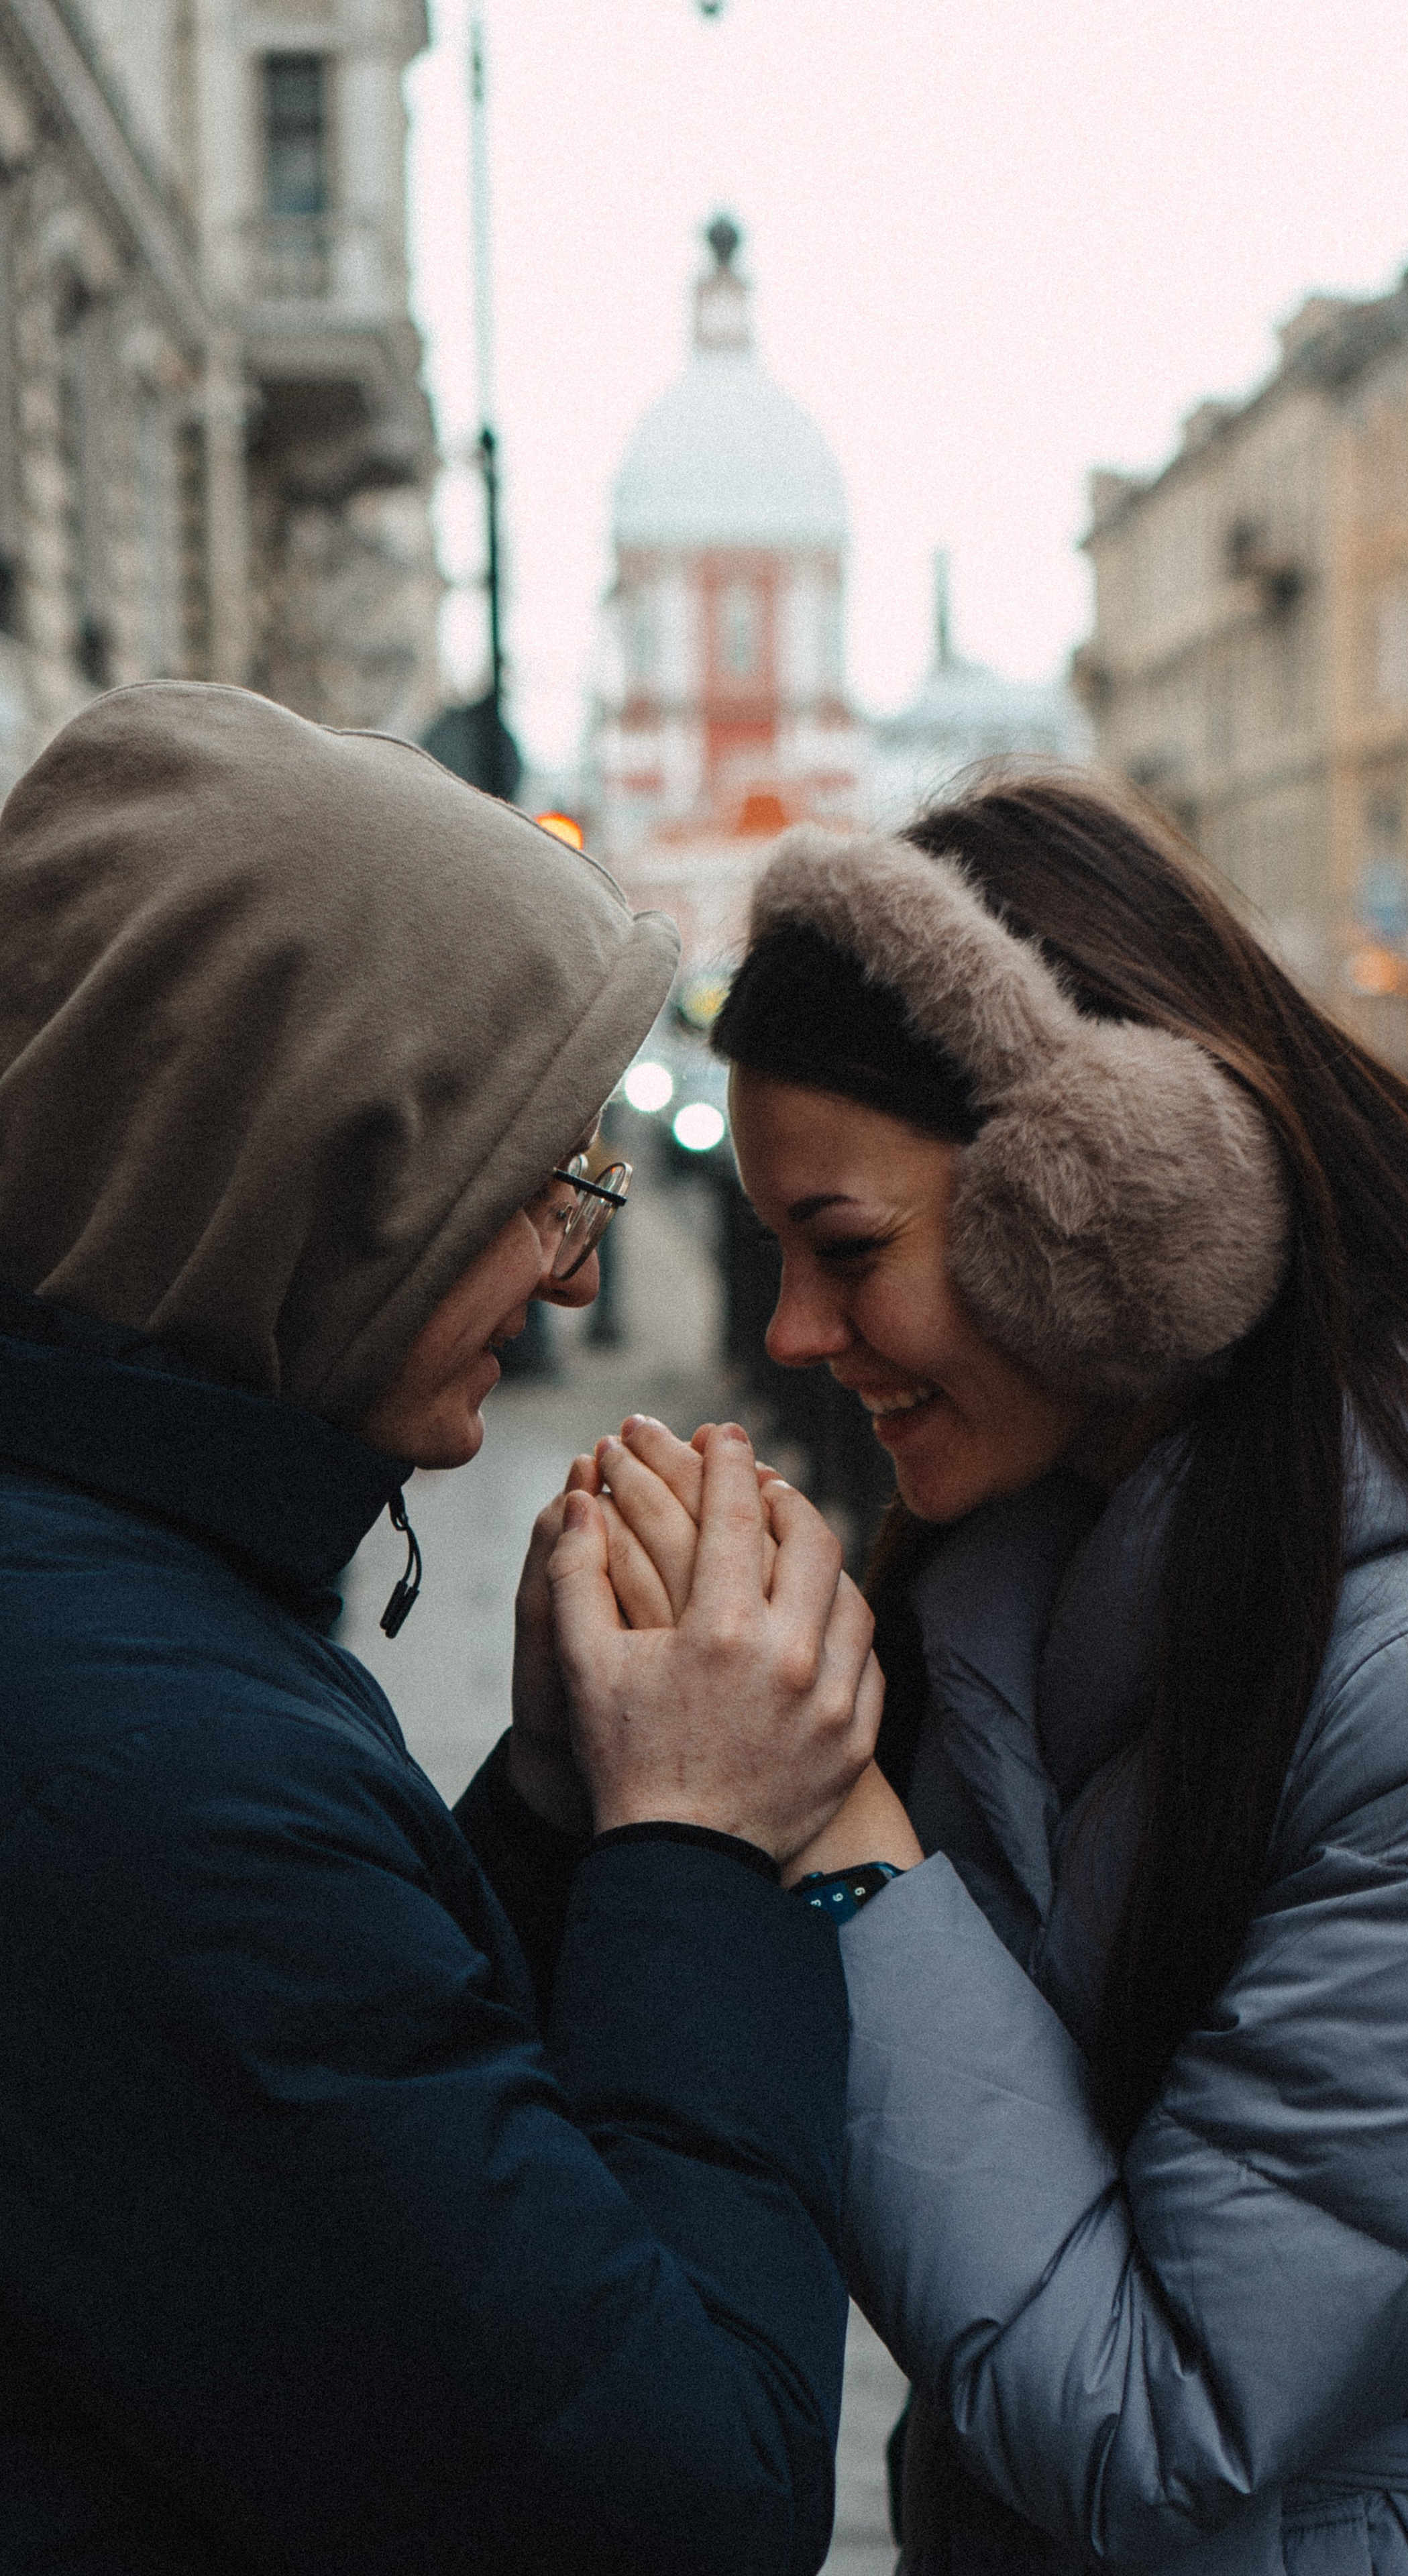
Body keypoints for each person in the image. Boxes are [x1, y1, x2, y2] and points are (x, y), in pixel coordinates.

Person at [583, 773, 1408, 2575]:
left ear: (1104, 1205)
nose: (793, 1335)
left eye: (849, 1250)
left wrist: (830, 1835)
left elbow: (1151, 2418)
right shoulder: (1041, 1554)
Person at [0, 681, 883, 2575]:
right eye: (539, 1185)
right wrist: (701, 1844)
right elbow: (680, 2505)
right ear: (322, 1178)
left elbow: (331, 2198)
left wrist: (556, 1822)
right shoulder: (156, 1776)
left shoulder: (118, 1597)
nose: (579, 1261)